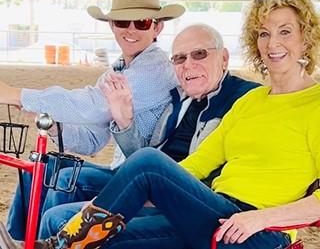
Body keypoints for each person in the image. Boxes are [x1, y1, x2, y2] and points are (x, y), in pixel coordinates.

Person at [10, 0, 320, 249]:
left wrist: (261, 218)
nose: (272, 43)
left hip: (258, 231)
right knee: (94, 229)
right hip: (214, 212)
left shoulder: (314, 105)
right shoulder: (251, 102)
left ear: (306, 39)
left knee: (147, 161)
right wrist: (131, 195)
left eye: (285, 32)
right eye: (264, 33)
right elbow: (196, 165)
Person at [36, 24, 260, 242]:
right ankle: (18, 238)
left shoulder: (245, 100)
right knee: (54, 172)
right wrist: (124, 122)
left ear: (224, 58)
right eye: (180, 58)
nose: (188, 65)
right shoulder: (177, 99)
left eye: (199, 54)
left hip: (184, 200)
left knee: (58, 218)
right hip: (149, 184)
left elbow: (223, 179)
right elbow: (144, 158)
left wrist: (113, 201)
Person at [1, 0, 185, 241]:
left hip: (144, 178)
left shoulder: (154, 70)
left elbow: (91, 106)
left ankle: (48, 244)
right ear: (112, 25)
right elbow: (93, 140)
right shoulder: (118, 70)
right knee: (43, 165)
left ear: (157, 27)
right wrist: (54, 125)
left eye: (141, 22)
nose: (130, 30)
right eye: (122, 22)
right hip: (123, 170)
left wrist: (15, 95)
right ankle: (17, 240)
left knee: (66, 178)